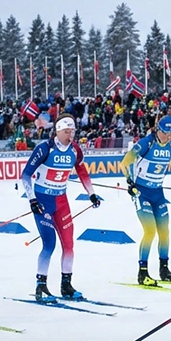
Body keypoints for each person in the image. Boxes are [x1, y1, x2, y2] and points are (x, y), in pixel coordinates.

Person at [21, 114, 102, 302]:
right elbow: (26, 176)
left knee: (69, 245)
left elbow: (82, 171)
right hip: (43, 201)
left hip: (62, 201)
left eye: (72, 131)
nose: (70, 135)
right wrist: (32, 200)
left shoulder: (75, 150)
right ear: (57, 131)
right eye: (66, 131)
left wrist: (91, 193)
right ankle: (41, 286)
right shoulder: (45, 148)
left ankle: (66, 285)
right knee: (49, 244)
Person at [122, 114, 171, 286]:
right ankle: (142, 272)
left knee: (164, 231)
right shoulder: (147, 143)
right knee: (149, 230)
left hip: (158, 194)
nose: (169, 137)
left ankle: (164, 269)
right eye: (166, 133)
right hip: (142, 193)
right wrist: (130, 182)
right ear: (158, 130)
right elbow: (125, 162)